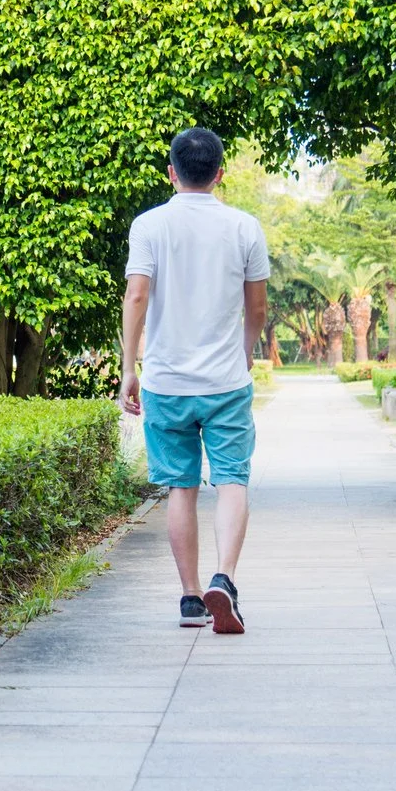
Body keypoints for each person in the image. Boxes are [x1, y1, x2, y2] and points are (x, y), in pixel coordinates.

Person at [118, 127, 269, 635]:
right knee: (232, 481)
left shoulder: (149, 225)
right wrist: (244, 353)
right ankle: (224, 578)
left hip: (166, 382)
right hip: (226, 382)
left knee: (180, 488)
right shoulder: (245, 227)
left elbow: (137, 296)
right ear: (220, 174)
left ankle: (190, 598)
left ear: (172, 173)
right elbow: (258, 308)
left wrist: (129, 368)